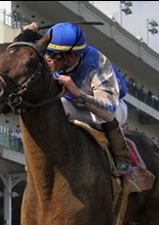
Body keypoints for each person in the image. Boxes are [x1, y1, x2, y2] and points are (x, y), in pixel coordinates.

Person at [20, 22, 132, 174]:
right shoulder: (55, 51)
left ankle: (122, 156)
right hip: (73, 104)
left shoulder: (97, 65)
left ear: (72, 57)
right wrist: (27, 34)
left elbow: (109, 111)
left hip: (112, 108)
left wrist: (77, 93)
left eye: (55, 56)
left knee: (102, 118)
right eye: (47, 53)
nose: (48, 59)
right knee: (51, 106)